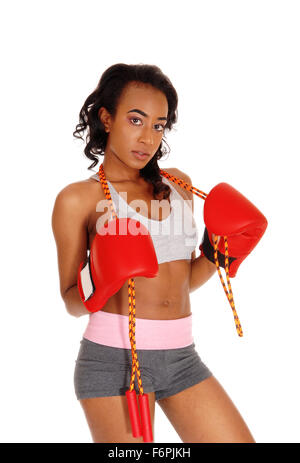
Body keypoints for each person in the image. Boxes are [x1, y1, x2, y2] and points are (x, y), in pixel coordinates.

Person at [51, 63, 255, 443]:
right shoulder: (79, 198)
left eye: (158, 125)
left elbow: (181, 283)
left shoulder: (178, 185)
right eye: (135, 120)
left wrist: (215, 250)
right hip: (114, 362)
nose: (147, 138)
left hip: (182, 359)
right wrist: (103, 279)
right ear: (106, 118)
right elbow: (70, 301)